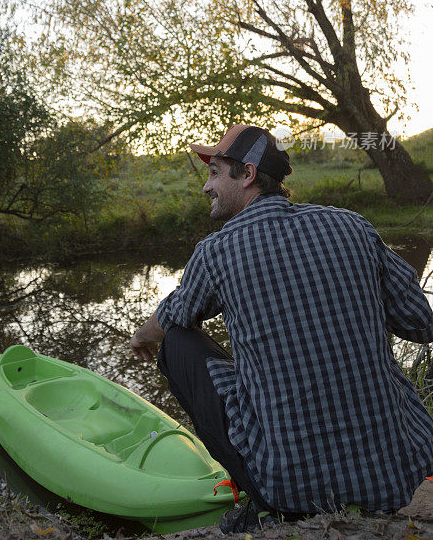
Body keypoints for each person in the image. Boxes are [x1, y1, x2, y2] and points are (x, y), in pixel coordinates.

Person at [129, 125, 433, 533]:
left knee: (177, 339)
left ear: (248, 174)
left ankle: (262, 504)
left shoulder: (217, 251)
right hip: (393, 475)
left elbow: (169, 318)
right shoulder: (353, 226)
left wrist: (141, 336)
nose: (206, 186)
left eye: (215, 172)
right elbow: (421, 323)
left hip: (288, 487)